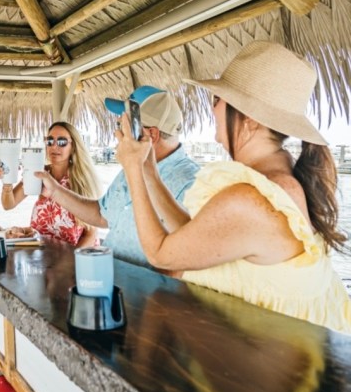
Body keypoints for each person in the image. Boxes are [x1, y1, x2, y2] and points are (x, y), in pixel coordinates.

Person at [114, 41, 351, 333]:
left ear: (249, 121)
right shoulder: (279, 184)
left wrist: (132, 169)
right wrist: (149, 170)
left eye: (217, 100)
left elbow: (160, 252)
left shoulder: (251, 200)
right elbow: (193, 235)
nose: (212, 109)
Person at [36, 87, 199, 266]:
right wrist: (55, 191)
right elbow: (101, 215)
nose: (117, 133)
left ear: (150, 135)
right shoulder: (134, 163)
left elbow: (187, 258)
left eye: (122, 125)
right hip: (110, 279)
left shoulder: (191, 183)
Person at [0, 122, 100, 247]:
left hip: (77, 258)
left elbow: (91, 234)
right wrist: (7, 180)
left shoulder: (81, 180)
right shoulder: (39, 174)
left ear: (73, 147)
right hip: (44, 256)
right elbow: (9, 204)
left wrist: (73, 262)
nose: (54, 146)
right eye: (50, 141)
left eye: (62, 142)